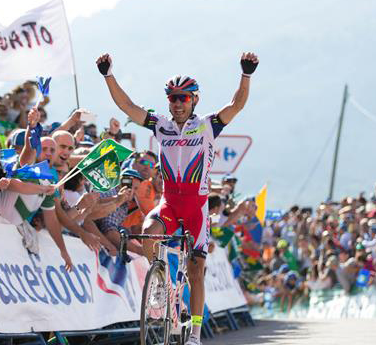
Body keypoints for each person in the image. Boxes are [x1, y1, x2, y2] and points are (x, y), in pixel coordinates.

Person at [96, 51, 259, 345]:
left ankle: (194, 334)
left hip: (196, 209)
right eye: (172, 98)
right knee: (148, 234)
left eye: (183, 98)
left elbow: (237, 104)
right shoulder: (161, 125)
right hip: (169, 204)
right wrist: (108, 75)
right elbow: (127, 105)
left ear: (194, 100)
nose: (177, 103)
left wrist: (245, 75)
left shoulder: (209, 125)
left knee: (196, 271)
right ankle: (162, 284)